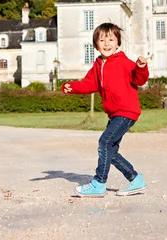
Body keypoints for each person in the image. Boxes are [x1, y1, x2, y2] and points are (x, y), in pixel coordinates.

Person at [62, 22, 149, 197]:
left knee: (104, 142)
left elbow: (139, 79)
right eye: (102, 40)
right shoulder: (98, 65)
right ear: (96, 45)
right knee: (111, 150)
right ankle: (135, 180)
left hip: (126, 112)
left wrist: (141, 67)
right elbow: (89, 84)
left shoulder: (124, 62)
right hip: (115, 114)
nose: (107, 43)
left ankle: (99, 183)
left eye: (111, 39)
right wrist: (71, 87)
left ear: (118, 43)